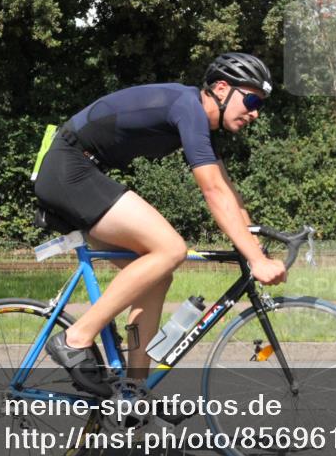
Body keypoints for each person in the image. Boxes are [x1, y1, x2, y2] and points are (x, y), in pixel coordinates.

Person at [33, 52, 287, 398]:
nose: (255, 112)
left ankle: (133, 392)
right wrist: (255, 261)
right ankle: (76, 338)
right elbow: (211, 192)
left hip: (79, 171)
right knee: (170, 248)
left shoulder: (201, 125)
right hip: (69, 169)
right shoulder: (189, 108)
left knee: (157, 274)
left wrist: (253, 239)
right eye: (252, 99)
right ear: (222, 88)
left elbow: (227, 192)